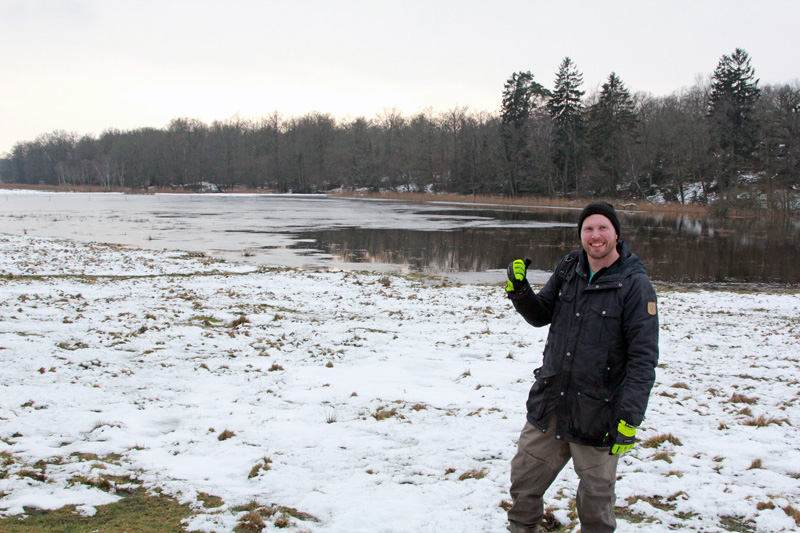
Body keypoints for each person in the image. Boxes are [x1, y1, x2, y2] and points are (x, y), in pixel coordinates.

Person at [504, 201, 659, 533]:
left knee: (595, 508)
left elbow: (643, 361)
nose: (595, 235)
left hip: (598, 415)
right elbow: (540, 314)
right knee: (523, 488)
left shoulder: (635, 284)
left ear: (616, 233)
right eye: (588, 229)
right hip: (552, 402)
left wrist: (629, 419)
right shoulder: (570, 266)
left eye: (603, 228)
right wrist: (520, 291)